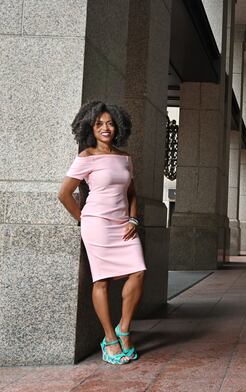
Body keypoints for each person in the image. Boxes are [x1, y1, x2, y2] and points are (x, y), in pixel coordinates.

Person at [58, 101, 146, 365]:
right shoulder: (86, 157)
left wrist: (133, 218)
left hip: (123, 225)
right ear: (90, 128)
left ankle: (124, 329)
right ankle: (109, 338)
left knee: (139, 272)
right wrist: (83, 219)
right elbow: (64, 194)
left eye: (109, 123)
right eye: (99, 124)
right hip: (97, 223)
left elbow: (131, 193)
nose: (105, 128)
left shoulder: (124, 157)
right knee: (102, 281)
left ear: (117, 126)